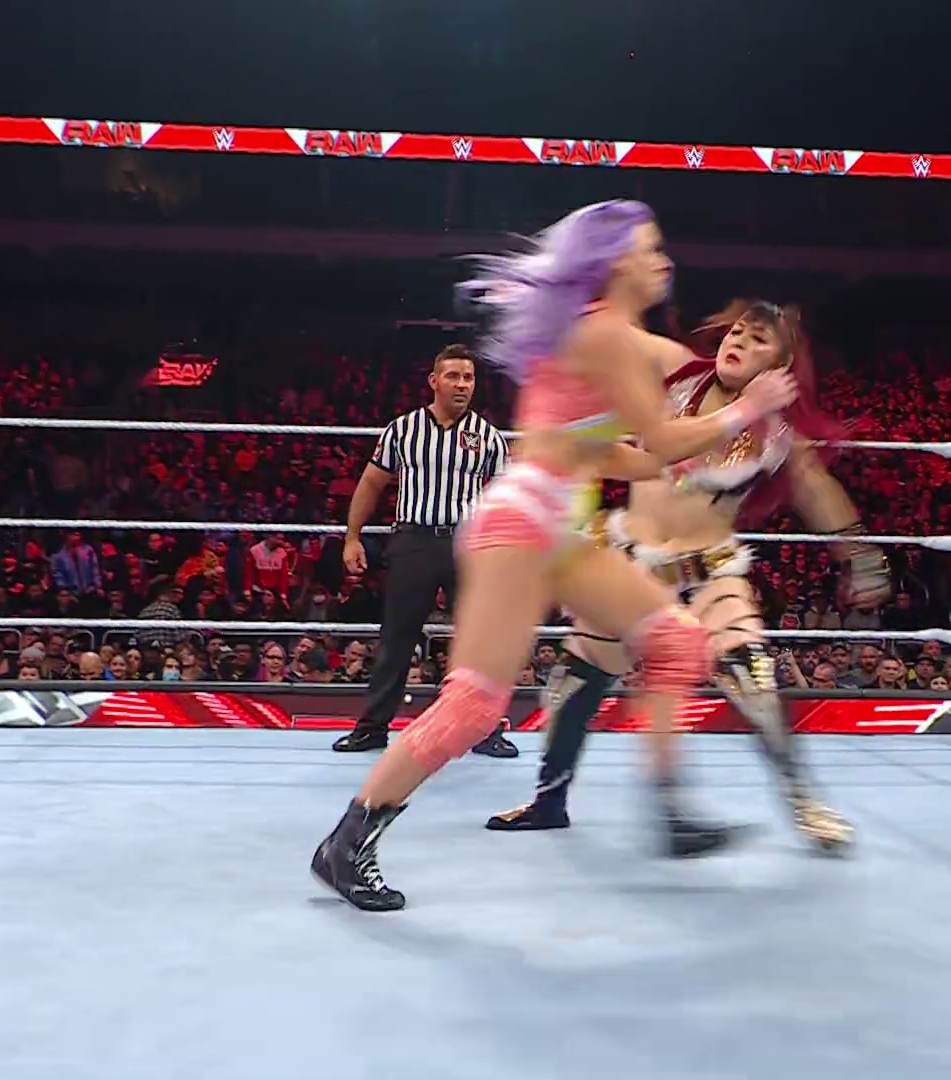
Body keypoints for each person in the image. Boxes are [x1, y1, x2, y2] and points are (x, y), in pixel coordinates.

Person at [311, 200, 799, 911]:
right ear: (615, 263)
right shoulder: (603, 336)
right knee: (475, 705)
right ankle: (348, 840)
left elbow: (600, 447)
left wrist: (721, 413)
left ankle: (672, 811)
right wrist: (743, 409)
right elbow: (665, 436)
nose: (664, 261)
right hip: (522, 523)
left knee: (675, 642)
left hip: (561, 529)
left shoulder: (610, 338)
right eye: (650, 248)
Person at [484, 299, 892, 852]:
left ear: (780, 366)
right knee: (575, 679)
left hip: (708, 570)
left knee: (753, 676)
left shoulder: (776, 436)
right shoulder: (673, 382)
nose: (738, 341)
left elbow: (818, 492)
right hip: (632, 565)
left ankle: (804, 803)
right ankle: (548, 800)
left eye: (758, 339)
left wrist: (861, 556)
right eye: (737, 331)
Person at [332, 345, 517, 758]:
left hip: (468, 544)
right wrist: (352, 536)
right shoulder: (402, 430)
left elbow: (506, 498)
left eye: (468, 378)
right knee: (397, 637)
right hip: (413, 539)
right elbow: (371, 483)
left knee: (478, 640)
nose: (462, 385)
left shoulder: (488, 436)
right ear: (434, 381)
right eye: (453, 376)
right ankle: (372, 728)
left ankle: (485, 729)